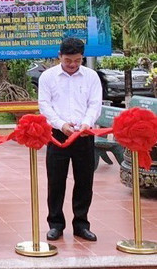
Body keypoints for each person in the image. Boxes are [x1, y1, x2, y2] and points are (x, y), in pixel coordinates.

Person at [38, 37, 102, 242]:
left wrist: (86, 123)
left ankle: (81, 224)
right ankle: (55, 224)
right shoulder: (48, 77)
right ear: (60, 56)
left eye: (77, 60)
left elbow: (95, 104)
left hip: (84, 134)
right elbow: (44, 105)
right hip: (58, 135)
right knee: (56, 181)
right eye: (68, 60)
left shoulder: (91, 77)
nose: (72, 64)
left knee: (84, 181)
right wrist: (61, 124)